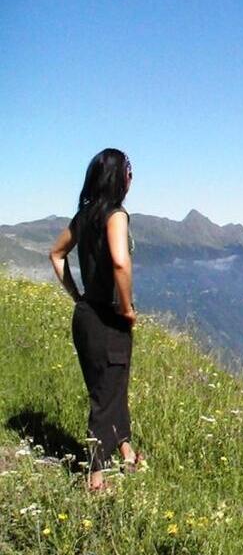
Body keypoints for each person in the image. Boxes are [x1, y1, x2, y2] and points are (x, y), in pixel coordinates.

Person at [50, 148, 143, 491]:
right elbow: (120, 262)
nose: (132, 178)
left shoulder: (84, 215)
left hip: (85, 315)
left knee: (108, 387)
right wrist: (127, 307)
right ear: (120, 177)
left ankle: (127, 450)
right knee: (106, 395)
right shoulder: (116, 215)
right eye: (130, 171)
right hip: (108, 316)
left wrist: (76, 294)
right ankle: (95, 477)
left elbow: (55, 254)